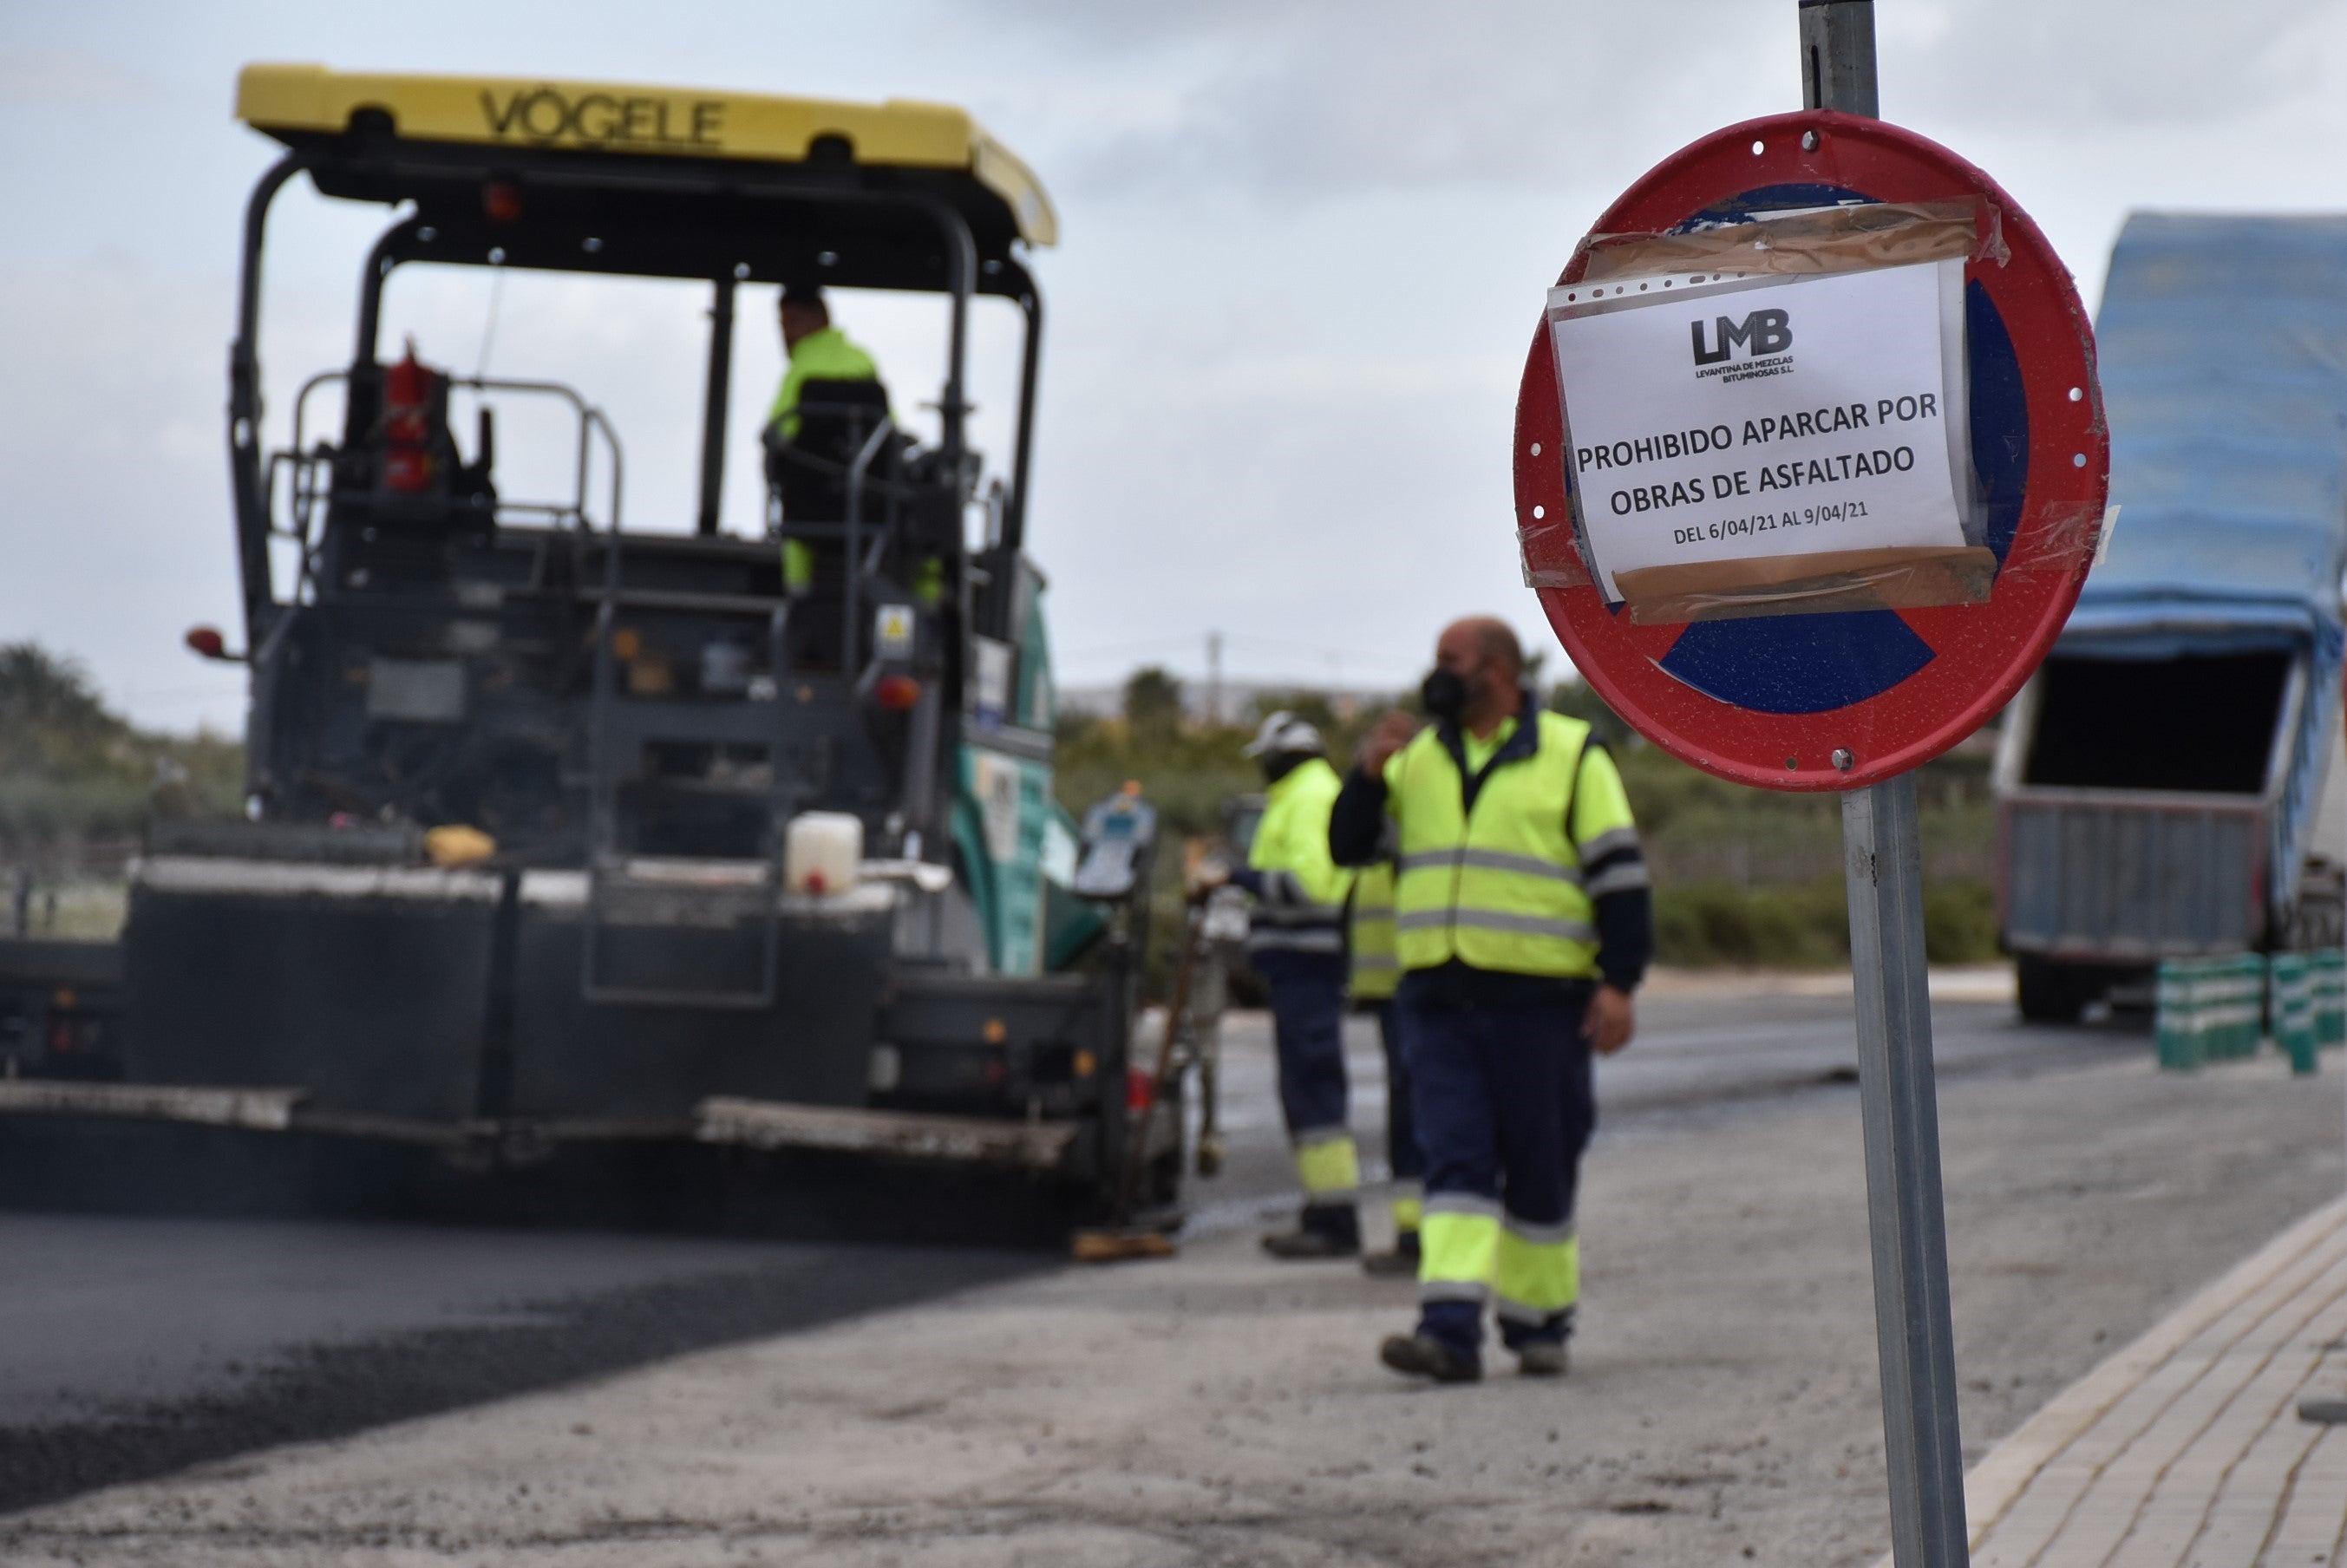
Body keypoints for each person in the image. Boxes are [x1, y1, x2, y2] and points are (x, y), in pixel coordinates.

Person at [1330, 617, 1651, 1382]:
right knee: (1454, 1159)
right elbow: (1349, 847)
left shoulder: (1573, 754)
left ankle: (1538, 1323)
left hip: (1541, 1003)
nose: (1436, 673)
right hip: (1438, 1001)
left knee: (1542, 1160)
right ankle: (1447, 1331)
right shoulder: (1416, 760)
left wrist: (1618, 985)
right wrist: (1366, 776)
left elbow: (1621, 881)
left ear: (1498, 671)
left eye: (1451, 660)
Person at [1222, 711, 1362, 1258]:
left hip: (1307, 967)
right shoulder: (1305, 795)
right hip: (1298, 969)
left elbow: (1311, 885)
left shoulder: (1308, 798)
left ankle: (1334, 1219)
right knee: (1306, 1088)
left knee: (1314, 1089)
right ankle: (1323, 1211)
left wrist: (1239, 877)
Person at [764, 284, 885, 598]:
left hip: (808, 514)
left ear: (819, 319)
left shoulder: (802, 370)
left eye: (791, 323)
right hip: (871, 510)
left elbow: (778, 436)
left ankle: (796, 596)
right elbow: (890, 430)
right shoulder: (863, 361)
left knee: (796, 499)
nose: (786, 335)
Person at [1348, 850, 1425, 1278]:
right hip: (1399, 977)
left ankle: (1422, 1235)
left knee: (1417, 1107)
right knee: (1409, 1106)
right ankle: (1414, 1233)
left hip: (1416, 973)